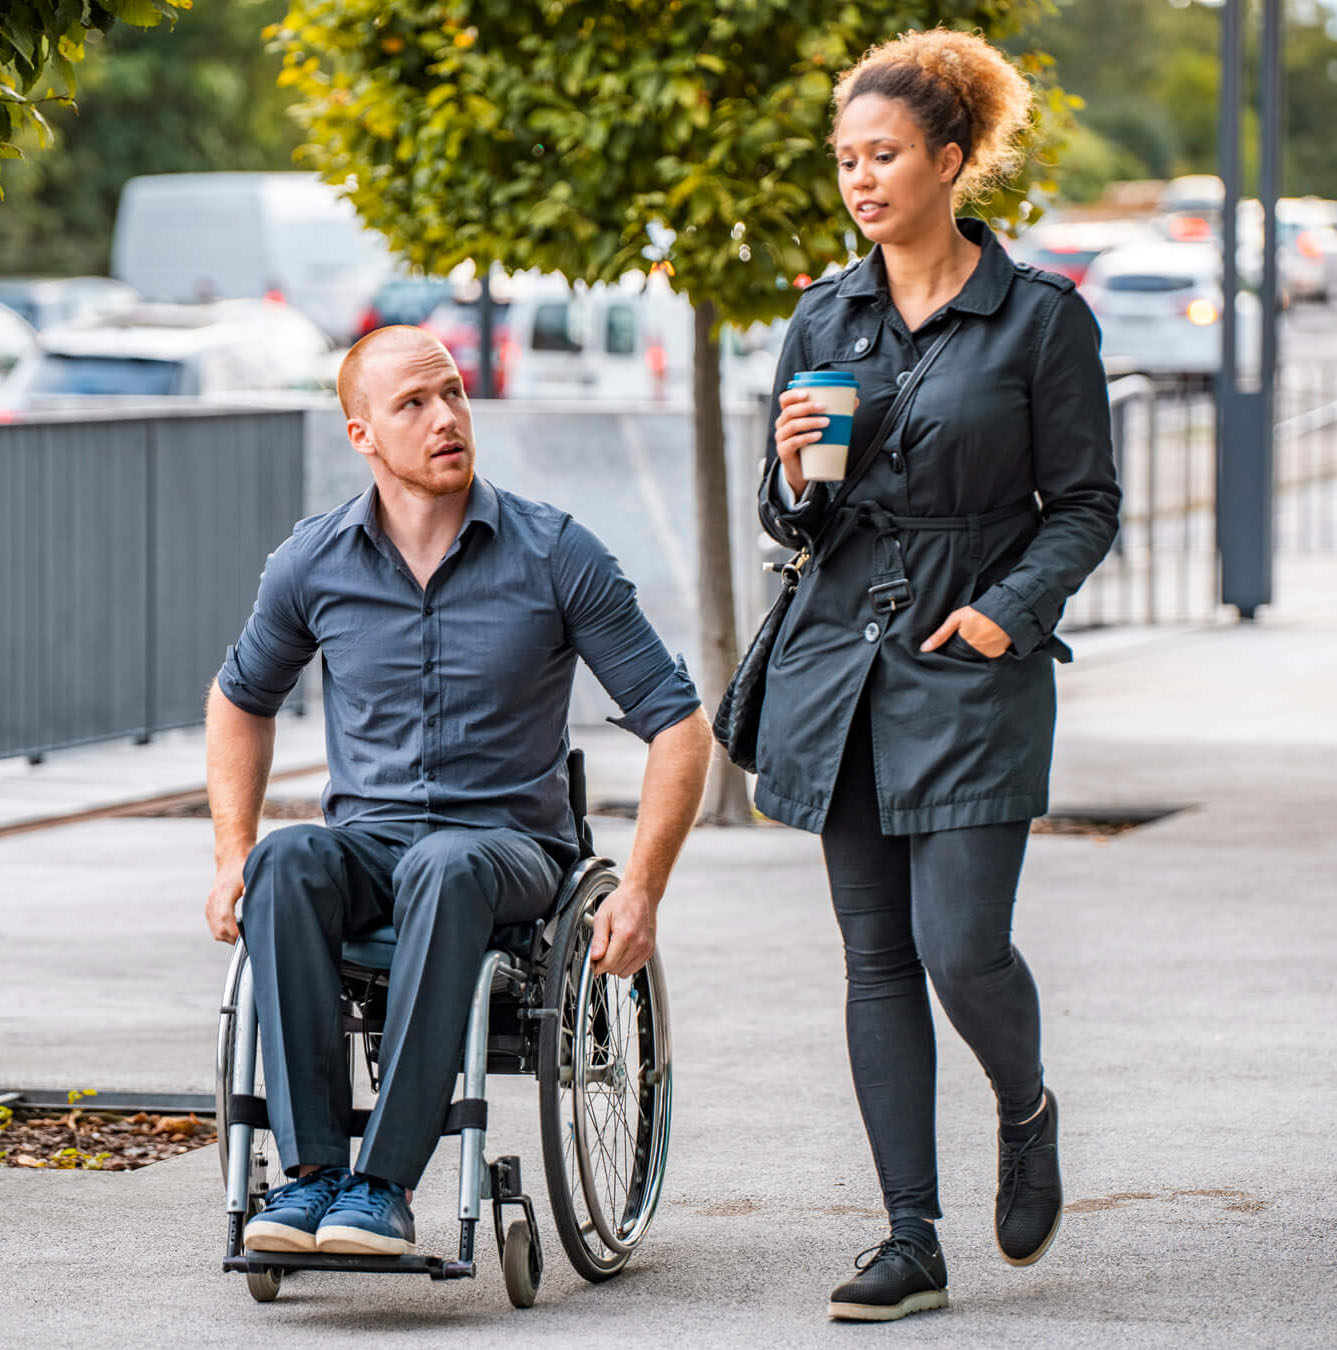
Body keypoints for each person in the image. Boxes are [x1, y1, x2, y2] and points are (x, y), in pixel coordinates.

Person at [754, 29, 1120, 1323]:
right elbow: (788, 522)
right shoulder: (822, 314)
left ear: (951, 159)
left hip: (970, 663)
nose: (860, 178)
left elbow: (1083, 504)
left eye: (884, 154)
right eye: (846, 157)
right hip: (839, 665)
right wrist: (797, 478)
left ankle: (1024, 1106)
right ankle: (909, 1236)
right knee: (872, 957)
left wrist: (1004, 615)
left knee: (960, 947)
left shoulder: (1039, 319)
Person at [204, 325, 711, 1257]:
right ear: (363, 435)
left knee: (446, 862)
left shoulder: (556, 553)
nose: (445, 418)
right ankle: (311, 1179)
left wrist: (641, 888)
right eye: (413, 404)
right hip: (369, 842)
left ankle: (384, 1187)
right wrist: (233, 849)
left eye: (454, 395)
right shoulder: (313, 562)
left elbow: (678, 724)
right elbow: (240, 700)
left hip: (512, 853)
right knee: (286, 860)